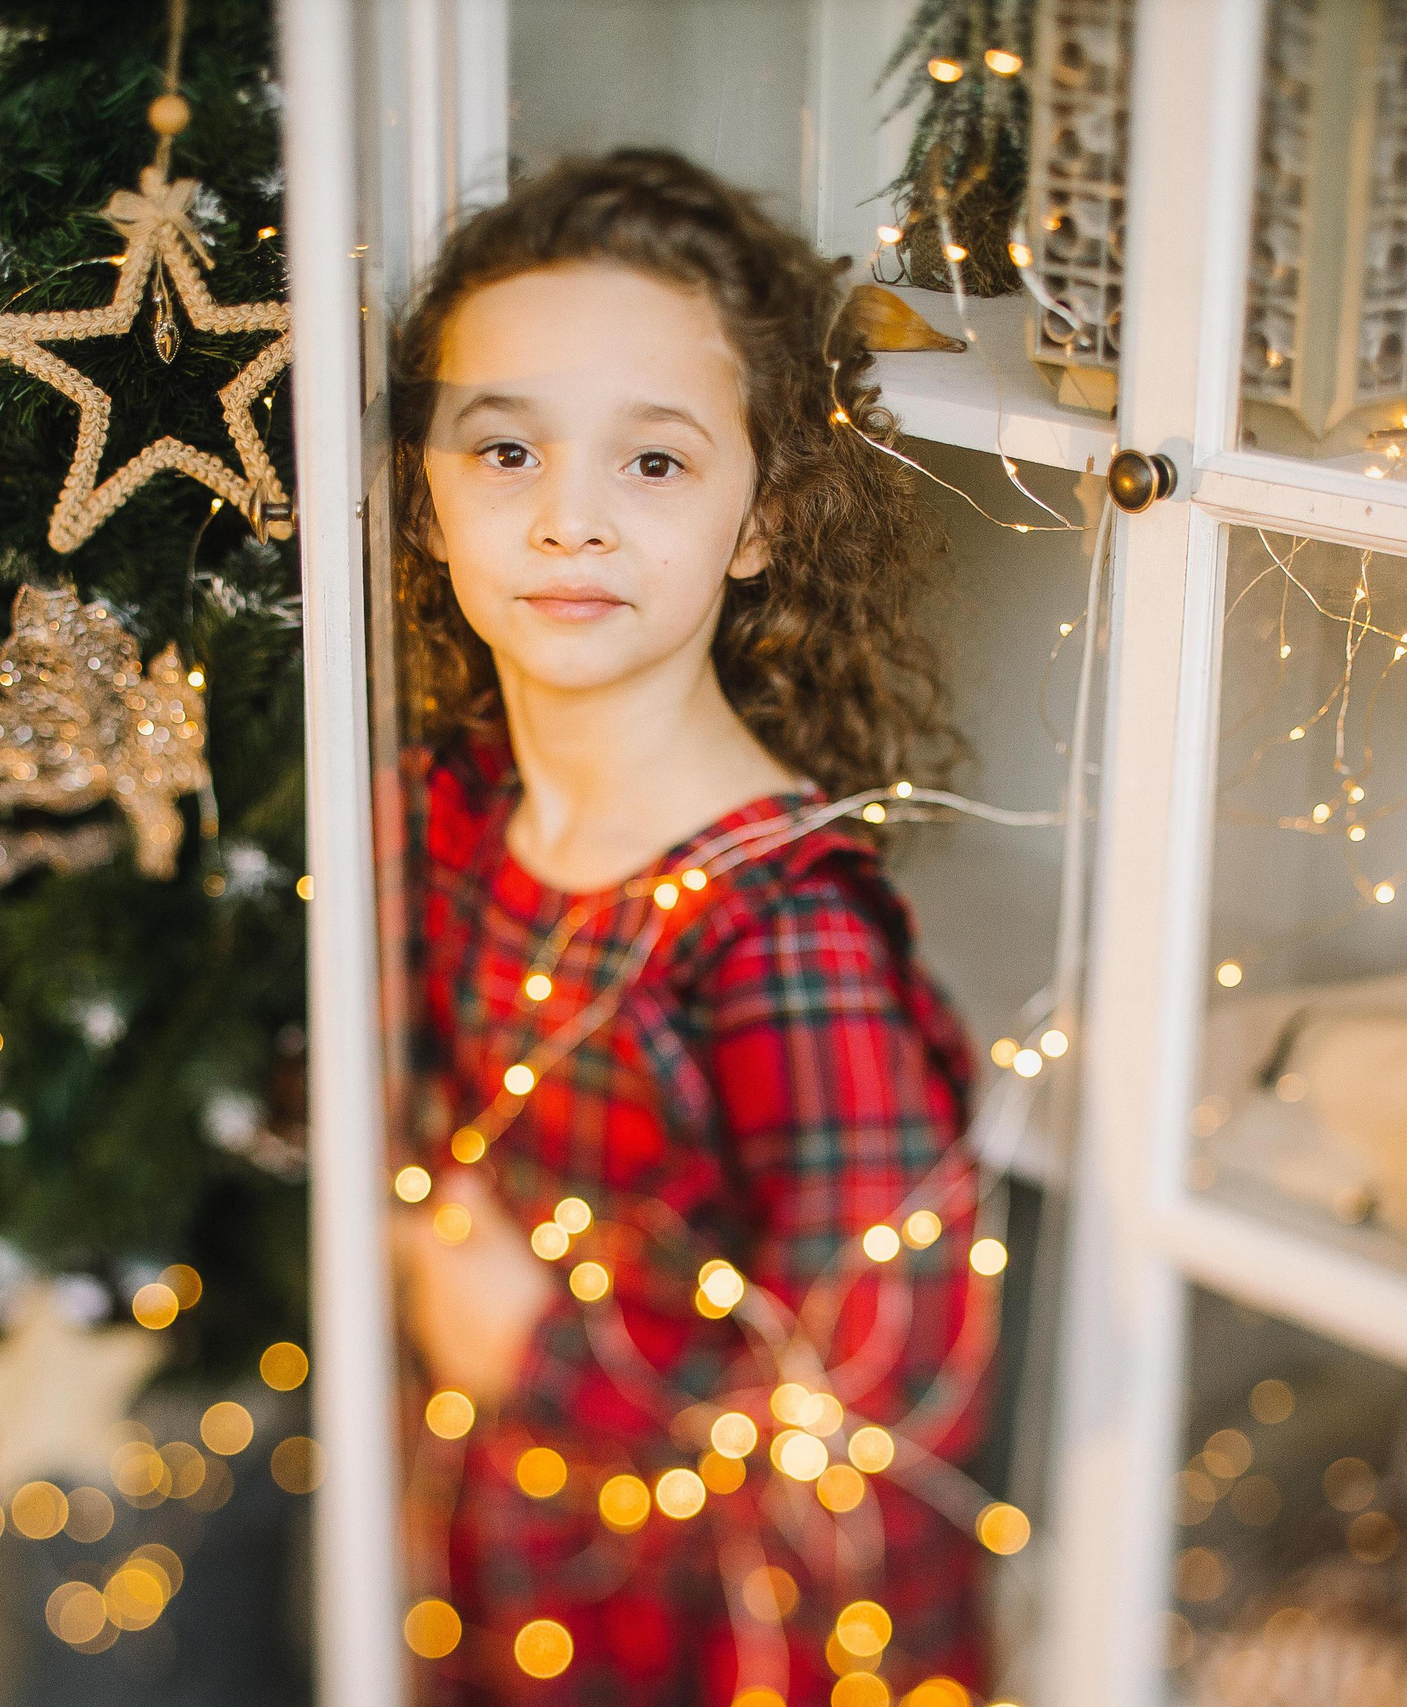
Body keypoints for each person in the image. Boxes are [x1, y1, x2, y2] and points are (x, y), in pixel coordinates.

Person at [390, 148, 992, 1707]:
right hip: (503, 1588)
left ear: (761, 516)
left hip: (733, 1647)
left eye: (652, 463)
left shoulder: (781, 931)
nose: (570, 519)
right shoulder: (440, 816)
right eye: (505, 449)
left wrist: (540, 1357)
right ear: (426, 496)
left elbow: (883, 1403)